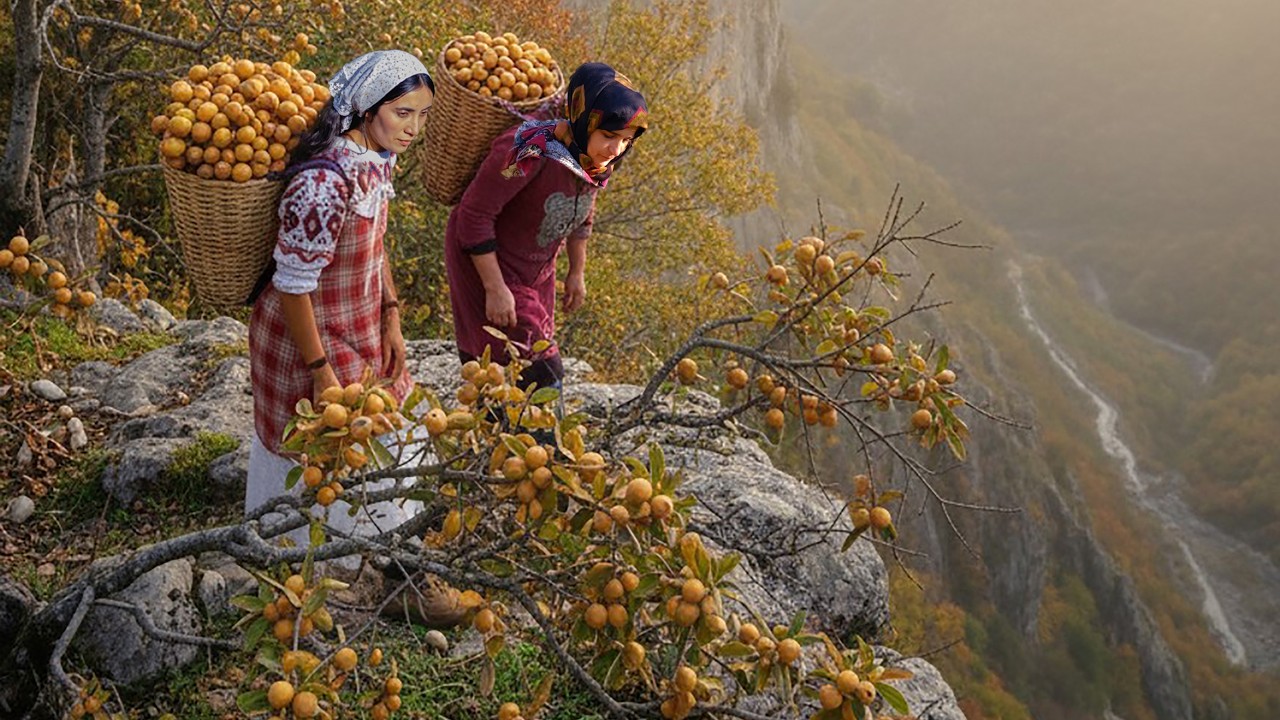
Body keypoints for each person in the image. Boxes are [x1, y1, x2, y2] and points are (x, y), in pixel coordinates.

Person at [244, 49, 433, 554]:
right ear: (369, 110)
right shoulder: (323, 184)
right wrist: (319, 367)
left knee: (381, 432)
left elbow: (375, 246)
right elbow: (293, 284)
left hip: (359, 321)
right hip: (305, 334)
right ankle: (310, 556)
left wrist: (391, 316)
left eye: (422, 114)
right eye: (402, 112)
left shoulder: (376, 161)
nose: (414, 127)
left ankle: (376, 549)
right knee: (320, 447)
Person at [445, 62, 648, 391]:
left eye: (625, 140)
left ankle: (497, 439)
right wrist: (495, 289)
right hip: (487, 259)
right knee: (537, 371)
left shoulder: (593, 160)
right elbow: (473, 215)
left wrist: (576, 271)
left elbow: (584, 210)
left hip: (536, 269)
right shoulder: (527, 148)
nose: (615, 148)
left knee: (515, 373)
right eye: (609, 135)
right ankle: (538, 442)